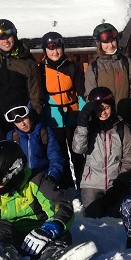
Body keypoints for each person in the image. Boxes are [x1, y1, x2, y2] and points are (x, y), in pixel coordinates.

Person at [72, 87, 131, 218]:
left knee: (117, 214)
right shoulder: (89, 128)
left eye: (106, 108)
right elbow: (78, 148)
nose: (103, 112)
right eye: (99, 109)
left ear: (112, 107)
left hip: (115, 181)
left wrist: (120, 183)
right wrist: (82, 122)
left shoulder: (122, 128)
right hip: (92, 182)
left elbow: (129, 158)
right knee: (93, 214)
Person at [0, 19, 44, 142]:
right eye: (1, 38)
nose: (6, 41)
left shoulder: (27, 63)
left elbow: (35, 95)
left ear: (14, 36)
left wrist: (34, 121)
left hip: (19, 120)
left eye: (8, 36)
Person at [39, 31, 85, 189]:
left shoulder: (72, 67)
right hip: (53, 118)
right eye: (50, 48)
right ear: (45, 50)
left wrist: (83, 115)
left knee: (77, 153)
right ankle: (66, 186)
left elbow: (82, 91)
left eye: (58, 47)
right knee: (60, 154)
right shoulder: (41, 70)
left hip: (72, 116)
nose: (55, 51)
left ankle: (82, 183)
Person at [84, 23, 131, 132]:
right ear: (99, 44)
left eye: (113, 41)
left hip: (126, 117)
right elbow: (90, 95)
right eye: (106, 42)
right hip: (104, 118)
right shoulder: (95, 67)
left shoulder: (126, 62)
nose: (110, 45)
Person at [5, 103, 64, 184]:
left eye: (24, 118)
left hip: (42, 180)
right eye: (18, 122)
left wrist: (52, 177)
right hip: (22, 184)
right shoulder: (12, 137)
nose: (23, 124)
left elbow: (56, 158)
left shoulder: (44, 132)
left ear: (30, 116)